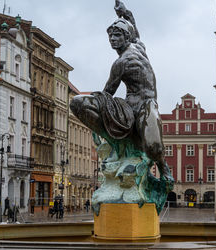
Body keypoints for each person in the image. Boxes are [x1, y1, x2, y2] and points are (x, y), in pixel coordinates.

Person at [70, 0, 172, 183]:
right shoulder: (121, 61)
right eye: (110, 36)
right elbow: (106, 94)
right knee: (78, 101)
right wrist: (126, 15)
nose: (112, 39)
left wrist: (125, 14)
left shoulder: (135, 51)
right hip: (129, 107)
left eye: (116, 35)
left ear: (126, 37)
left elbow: (106, 93)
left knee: (154, 145)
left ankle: (163, 167)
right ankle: (115, 143)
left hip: (147, 105)